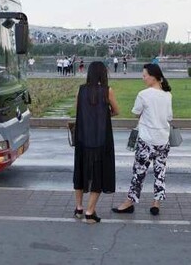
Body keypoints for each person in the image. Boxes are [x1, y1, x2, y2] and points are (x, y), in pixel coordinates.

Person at [112, 63, 173, 216]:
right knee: (160, 172)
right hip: (163, 140)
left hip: (147, 140)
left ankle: (129, 202)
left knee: (139, 172)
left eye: (145, 75)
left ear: (153, 77)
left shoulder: (143, 94)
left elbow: (135, 112)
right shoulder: (168, 95)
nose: (143, 77)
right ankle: (156, 203)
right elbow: (169, 117)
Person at [72, 61, 119, 224]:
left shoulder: (81, 90)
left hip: (83, 139)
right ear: (103, 74)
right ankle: (90, 212)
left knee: (80, 172)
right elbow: (116, 111)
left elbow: (78, 110)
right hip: (100, 139)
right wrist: (104, 114)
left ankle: (78, 207)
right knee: (98, 175)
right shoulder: (107, 91)